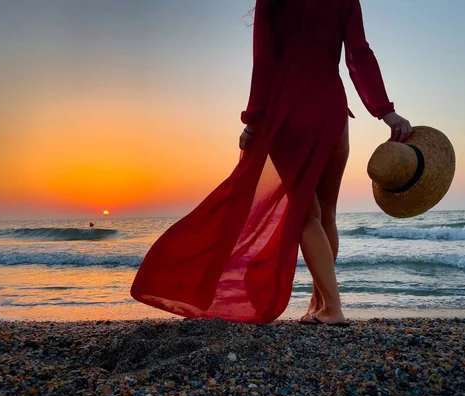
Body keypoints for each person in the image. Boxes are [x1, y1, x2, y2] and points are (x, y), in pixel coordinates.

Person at [131, 0, 412, 325]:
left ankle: (332, 308)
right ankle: (319, 304)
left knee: (304, 214)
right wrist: (384, 110)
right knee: (327, 214)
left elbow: (264, 62)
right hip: (331, 108)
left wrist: (253, 122)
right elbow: (358, 55)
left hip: (291, 106)